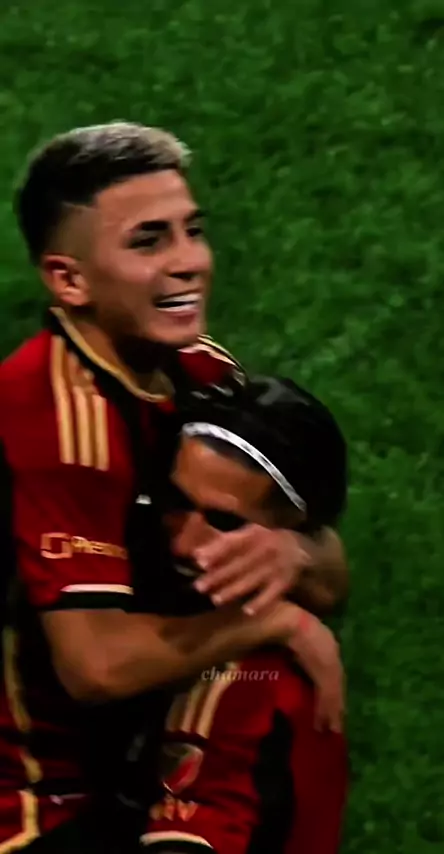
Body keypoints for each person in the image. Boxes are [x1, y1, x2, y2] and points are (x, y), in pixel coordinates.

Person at [0, 122, 348, 852]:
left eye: (193, 231)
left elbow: (329, 571)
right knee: (262, 652)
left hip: (122, 742)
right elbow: (96, 666)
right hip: (28, 801)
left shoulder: (199, 370)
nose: (189, 262)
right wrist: (276, 620)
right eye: (149, 242)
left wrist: (295, 555)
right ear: (69, 280)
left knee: (263, 680)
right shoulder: (57, 424)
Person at [134, 374, 348, 854]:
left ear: (288, 530)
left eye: (224, 522)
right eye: (176, 502)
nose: (184, 543)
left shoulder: (241, 688)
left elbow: (95, 669)